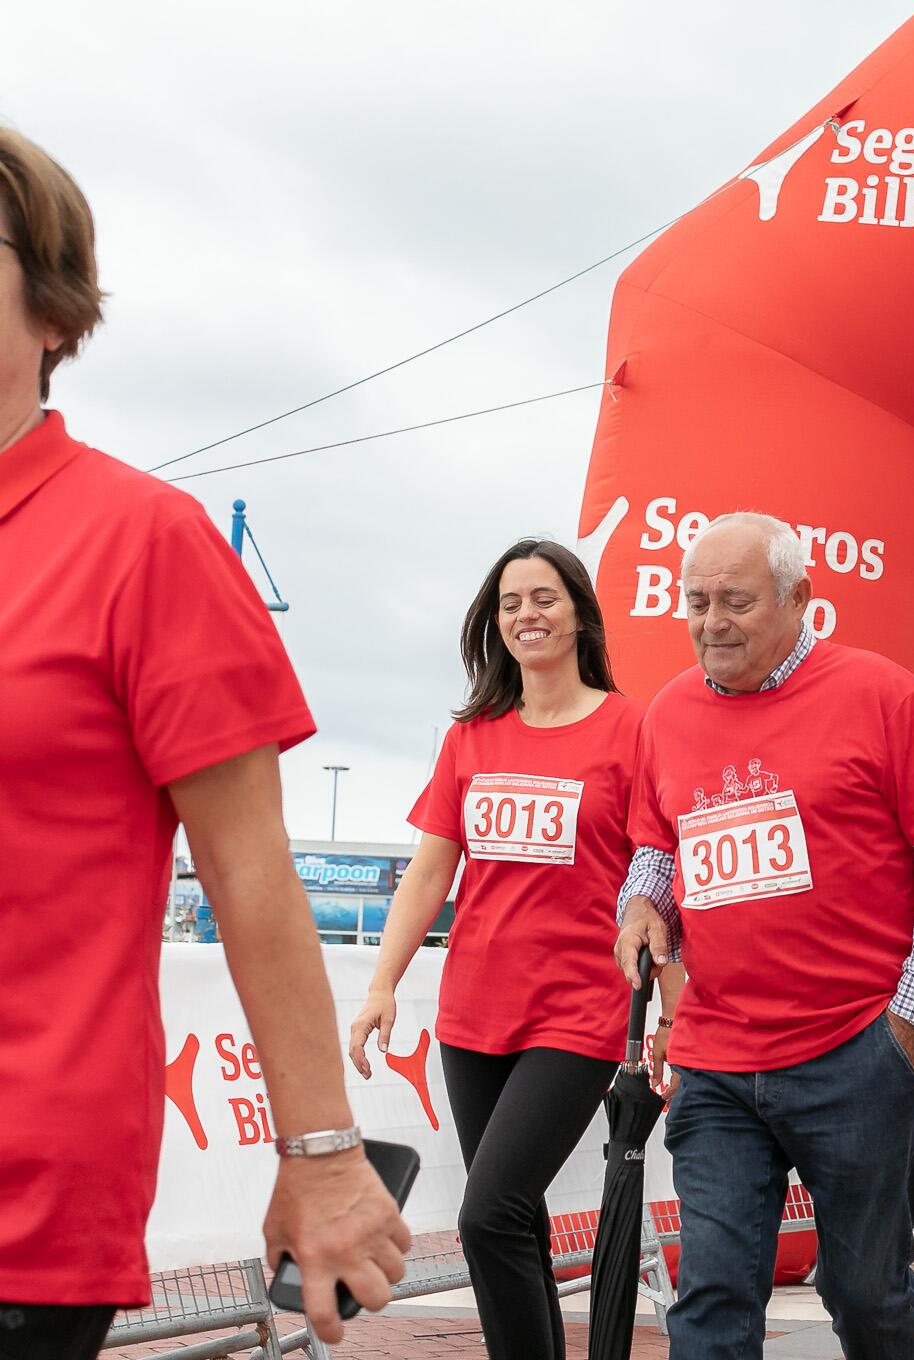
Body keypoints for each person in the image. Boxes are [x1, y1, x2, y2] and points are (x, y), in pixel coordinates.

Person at [0, 127, 408, 1357]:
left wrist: (323, 1158)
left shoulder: (143, 543)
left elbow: (251, 877)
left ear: (56, 310)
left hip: (21, 1199)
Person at [611, 512, 914, 1360]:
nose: (712, 623)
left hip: (855, 1054)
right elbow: (657, 845)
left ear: (801, 600)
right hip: (715, 1061)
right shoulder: (667, 712)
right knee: (709, 1296)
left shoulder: (882, 695)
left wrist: (913, 1023)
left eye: (737, 601)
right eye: (697, 599)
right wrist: (643, 901)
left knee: (865, 1293)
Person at [347, 540, 642, 1360]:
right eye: (510, 603)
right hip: (474, 1013)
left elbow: (660, 874)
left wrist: (677, 1010)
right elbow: (428, 871)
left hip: (580, 1011)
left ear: (580, 613)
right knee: (516, 1223)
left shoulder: (631, 729)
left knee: (488, 1213)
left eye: (543, 598)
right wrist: (381, 985)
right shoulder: (472, 737)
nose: (526, 616)